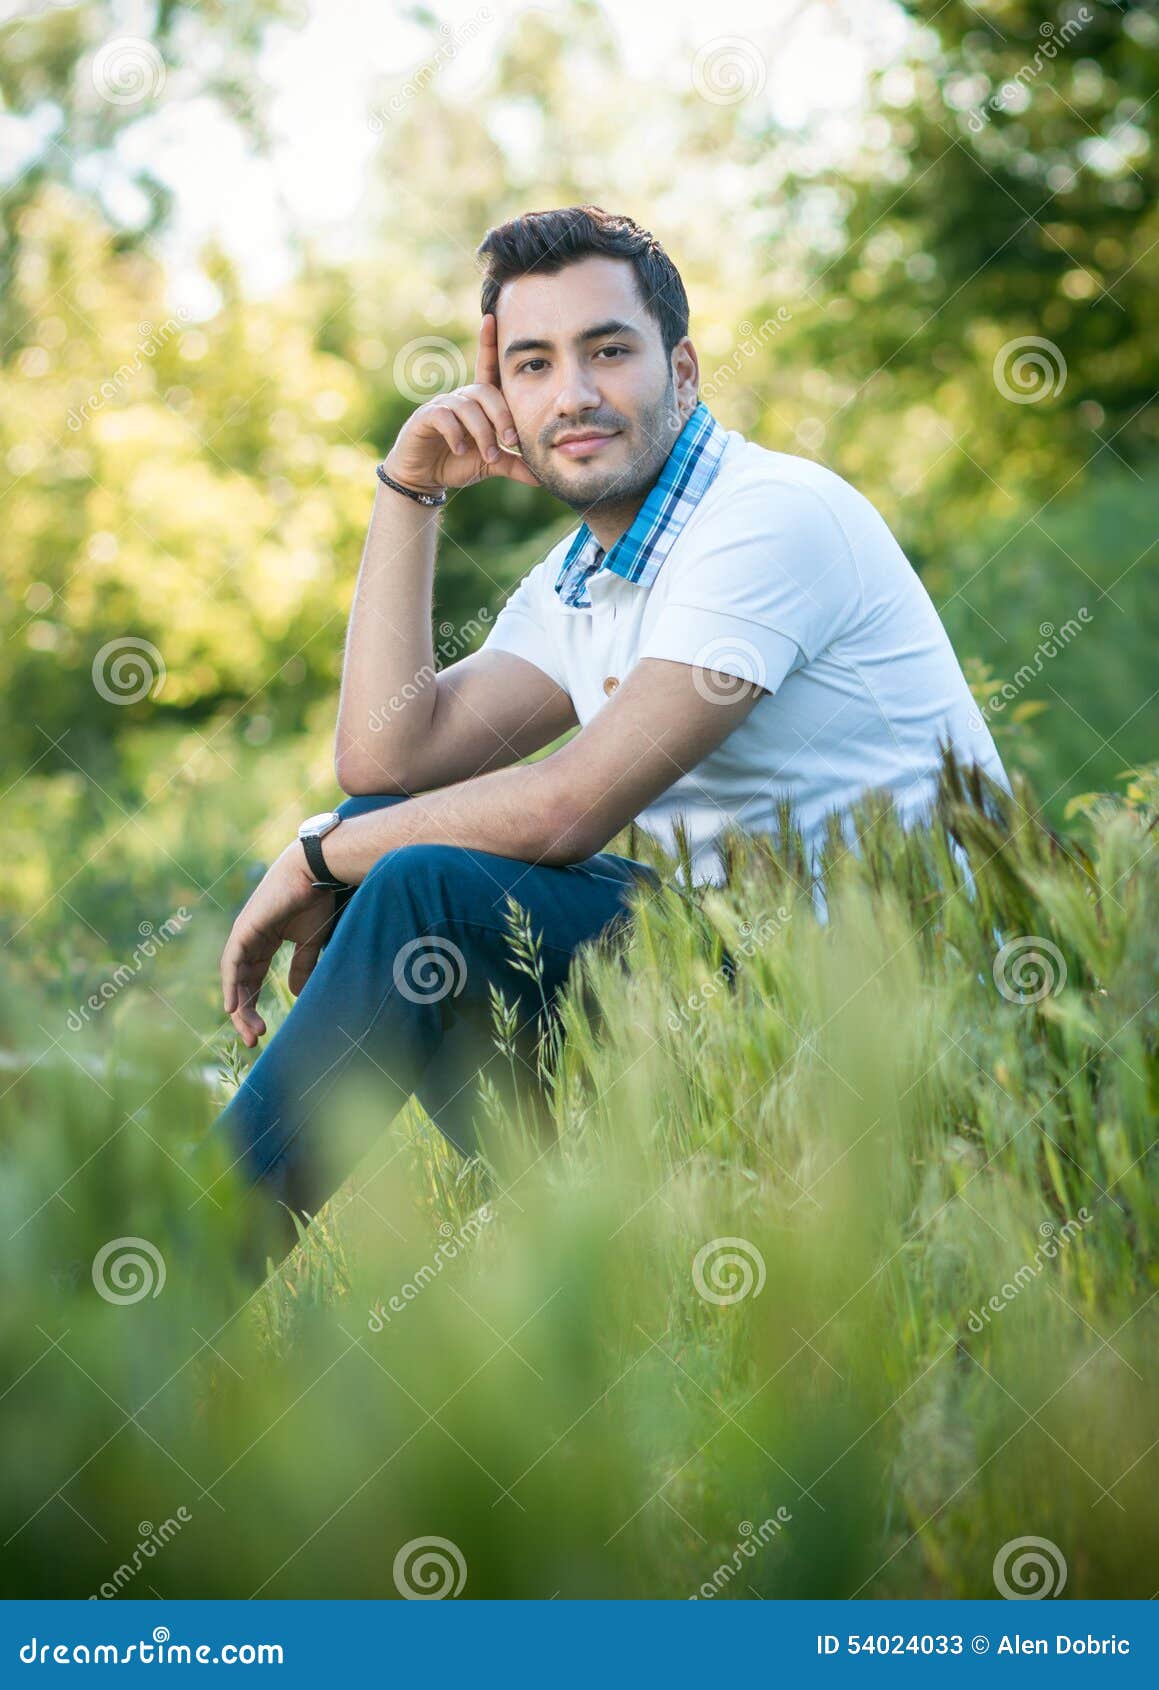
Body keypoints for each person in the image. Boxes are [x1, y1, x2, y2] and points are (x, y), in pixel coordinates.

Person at [203, 204, 1008, 1269]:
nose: (573, 394)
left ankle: (169, 1294)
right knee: (382, 831)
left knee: (408, 879)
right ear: (501, 398)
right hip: (744, 992)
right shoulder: (582, 578)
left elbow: (570, 805)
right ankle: (607, 1270)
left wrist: (317, 854)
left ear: (682, 372)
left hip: (901, 1012)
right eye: (532, 364)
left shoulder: (767, 518)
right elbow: (386, 756)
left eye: (607, 351)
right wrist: (407, 490)